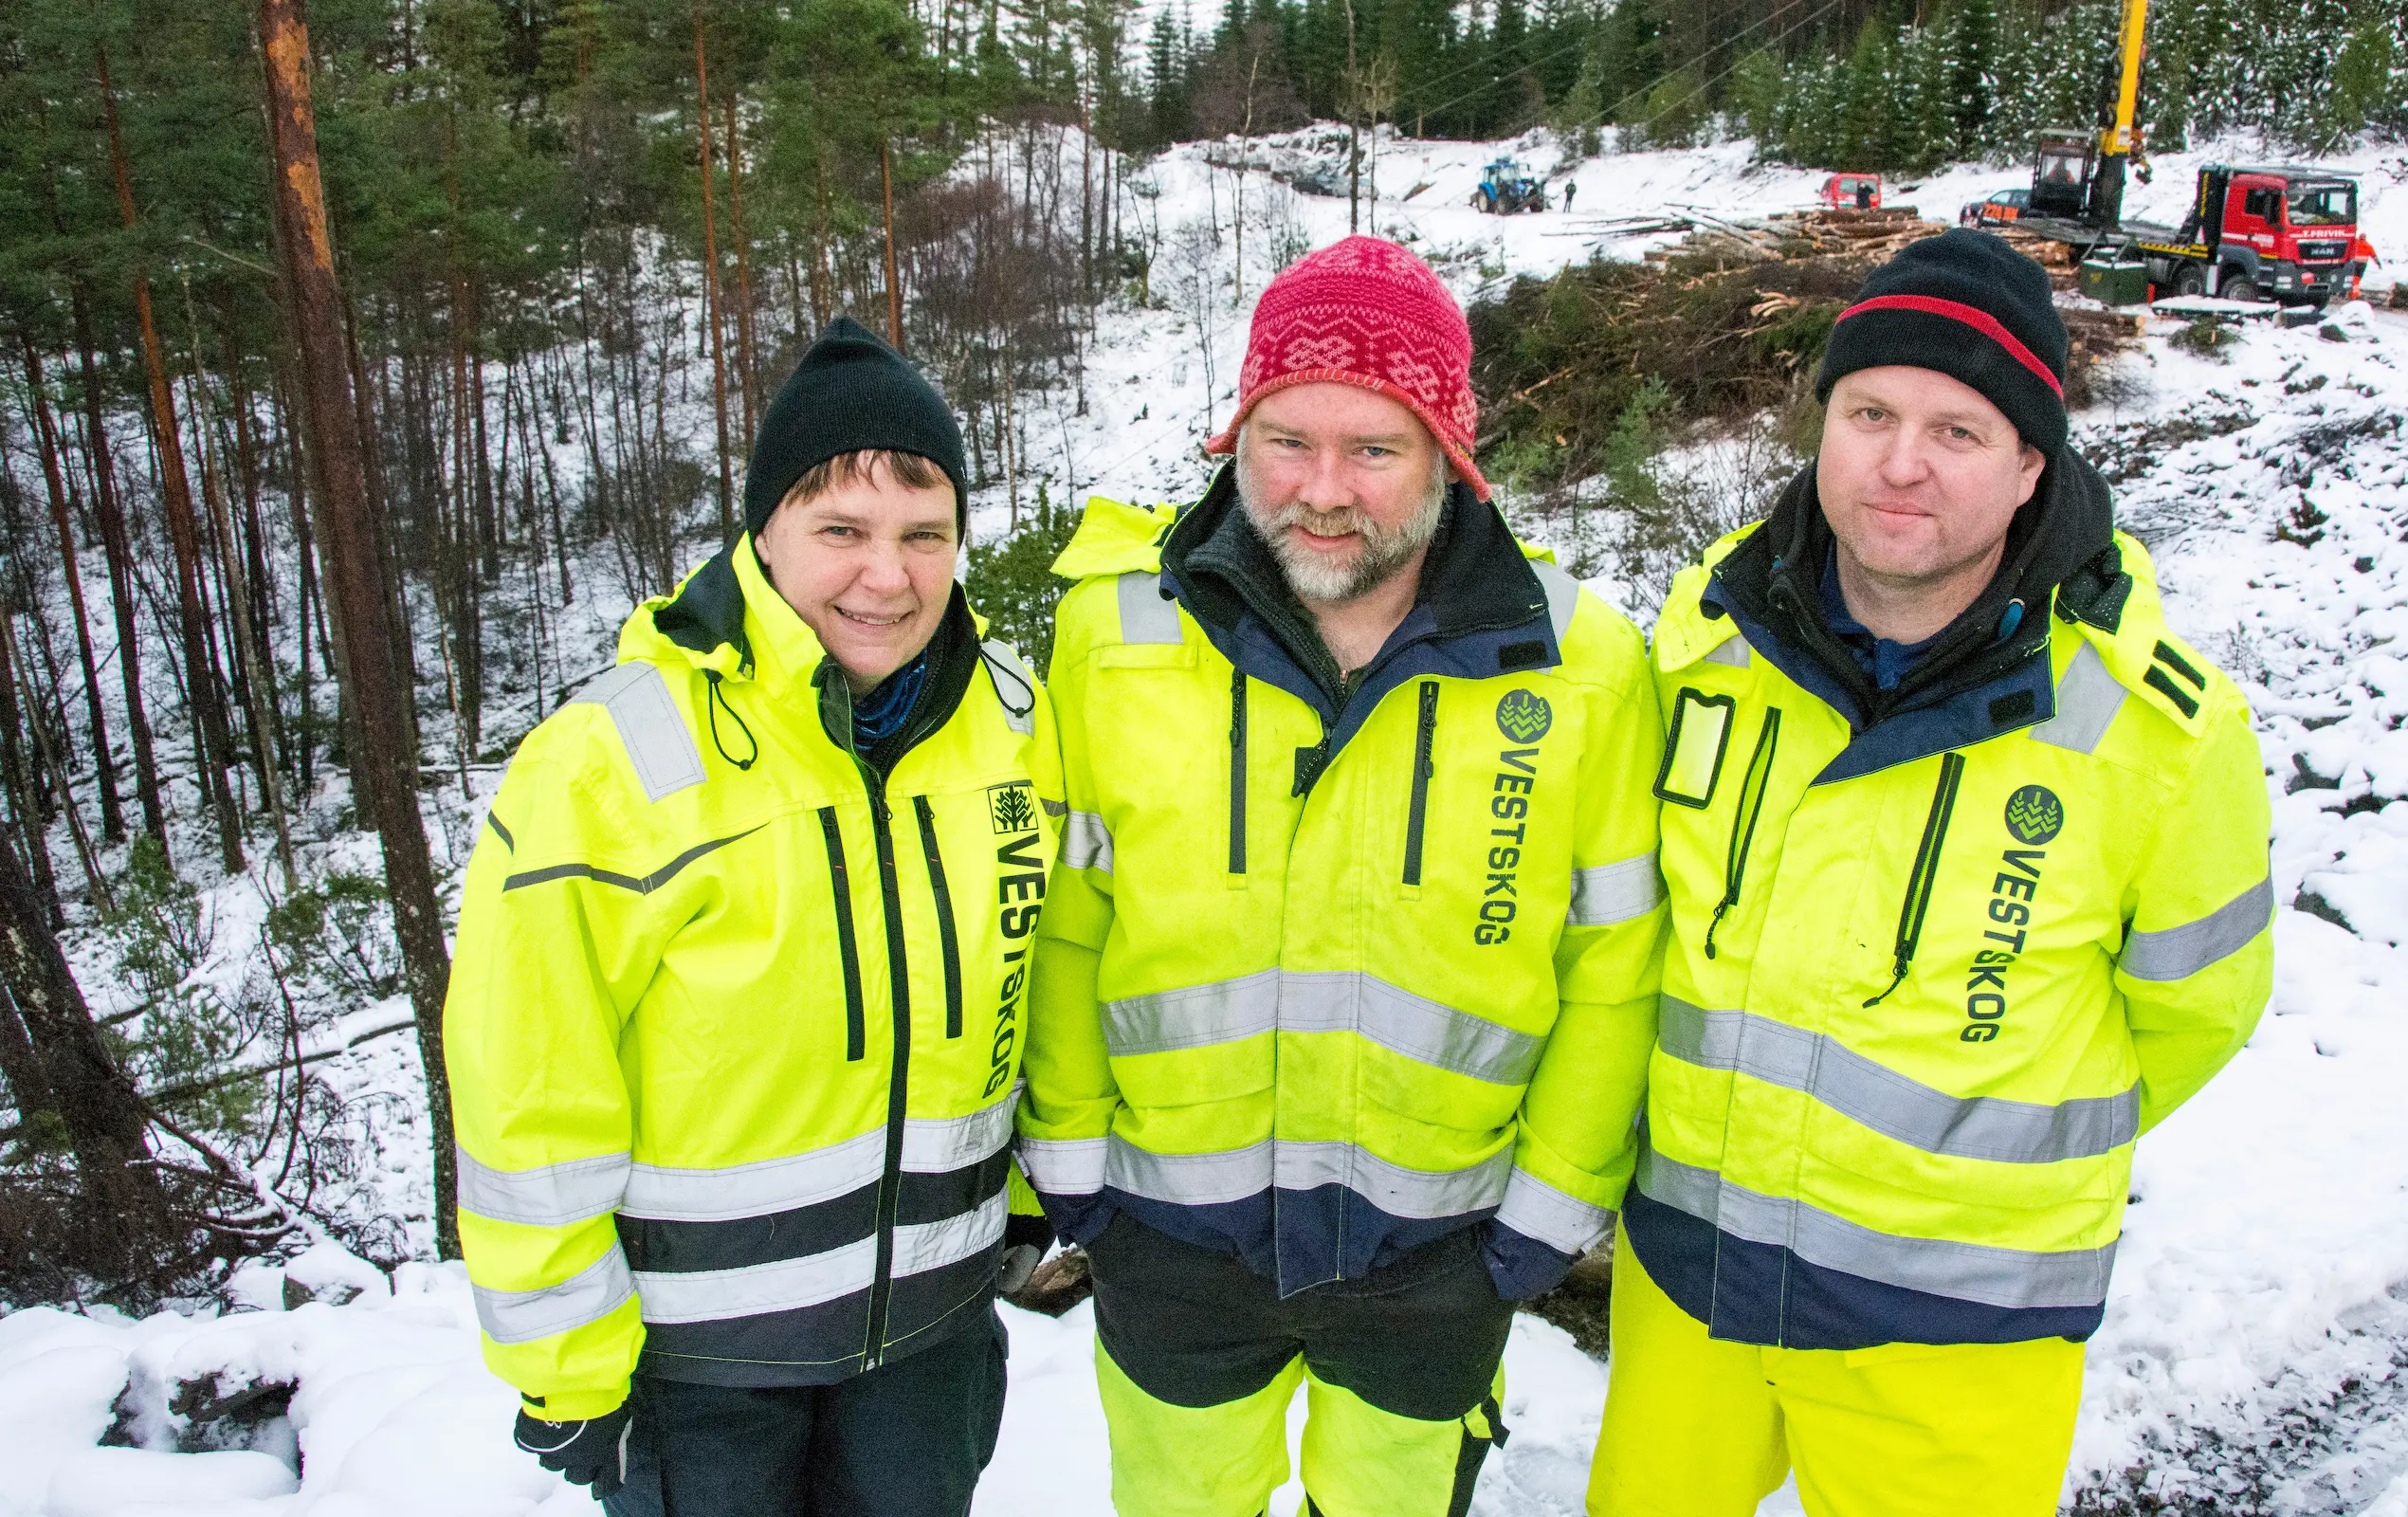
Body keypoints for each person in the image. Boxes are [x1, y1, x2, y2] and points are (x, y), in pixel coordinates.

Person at [1588, 229, 2273, 1517]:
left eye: (1959, 431)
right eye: (1870, 412)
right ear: (1823, 427)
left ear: (2030, 466)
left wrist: (1960, 1163)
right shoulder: (1704, 647)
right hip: (1692, 1280)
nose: (1900, 463)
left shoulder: (2153, 734)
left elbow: (2196, 1015)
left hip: (1959, 1328)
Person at [1017, 235, 1666, 1517]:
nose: (1323, 491)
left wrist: (1549, 1207)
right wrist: (1074, 1158)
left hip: (1438, 1256)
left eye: (1374, 449)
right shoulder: (1117, 633)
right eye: (1286, 442)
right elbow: (1068, 922)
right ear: (1236, 437)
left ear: (1448, 459)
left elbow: (1614, 967)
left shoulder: (1580, 664)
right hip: (1172, 1242)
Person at [446, 319, 1062, 1517]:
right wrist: (570, 1371)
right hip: (702, 1374)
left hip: (928, 1348)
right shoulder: (610, 762)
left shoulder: (1016, 728)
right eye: (841, 530)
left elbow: (1030, 987)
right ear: (764, 530)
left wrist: (1028, 1205)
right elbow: (528, 1091)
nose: (887, 576)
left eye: (923, 535)